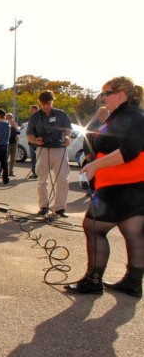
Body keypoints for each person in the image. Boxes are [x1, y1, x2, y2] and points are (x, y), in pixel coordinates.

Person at [64, 76, 144, 297]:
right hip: (130, 187)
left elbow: (129, 151)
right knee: (133, 232)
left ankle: (93, 280)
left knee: (93, 227)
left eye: (106, 93)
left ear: (121, 94)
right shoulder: (125, 116)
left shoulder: (131, 117)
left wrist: (96, 165)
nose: (103, 98)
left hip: (120, 186)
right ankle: (133, 282)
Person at [26, 90, 72, 217]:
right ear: (39, 103)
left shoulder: (61, 114)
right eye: (43, 104)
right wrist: (35, 140)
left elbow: (68, 129)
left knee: (63, 179)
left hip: (59, 150)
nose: (46, 106)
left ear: (53, 101)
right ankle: (44, 206)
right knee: (42, 180)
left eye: (48, 103)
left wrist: (67, 137)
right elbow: (29, 134)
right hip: (43, 150)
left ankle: (60, 208)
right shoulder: (35, 117)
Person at [5, 112, 20, 176]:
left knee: (13, 158)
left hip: (14, 142)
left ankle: (11, 171)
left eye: (11, 117)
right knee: (5, 158)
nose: (10, 119)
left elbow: (18, 132)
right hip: (7, 143)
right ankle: (2, 171)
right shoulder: (5, 124)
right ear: (6, 118)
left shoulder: (14, 124)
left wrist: (15, 127)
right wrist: (10, 126)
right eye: (9, 117)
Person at [28, 105, 39, 179]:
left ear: (36, 110)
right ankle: (34, 173)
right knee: (33, 157)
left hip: (39, 142)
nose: (30, 111)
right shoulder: (31, 119)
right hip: (31, 142)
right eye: (30, 110)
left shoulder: (41, 118)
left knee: (40, 158)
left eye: (32, 110)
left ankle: (39, 172)